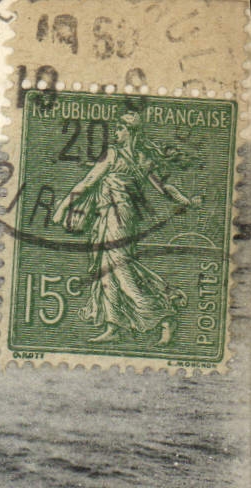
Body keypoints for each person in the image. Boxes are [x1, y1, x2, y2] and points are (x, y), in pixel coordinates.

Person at [50, 111, 198, 345]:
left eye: (119, 129)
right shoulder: (141, 159)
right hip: (112, 216)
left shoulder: (114, 155)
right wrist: (184, 200)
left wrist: (62, 206)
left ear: (130, 132)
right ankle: (114, 325)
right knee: (106, 269)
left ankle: (164, 317)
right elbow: (165, 188)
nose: (115, 132)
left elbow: (88, 182)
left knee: (120, 270)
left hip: (117, 218)